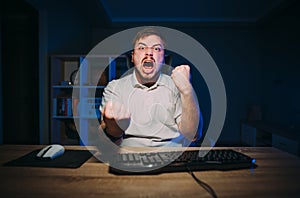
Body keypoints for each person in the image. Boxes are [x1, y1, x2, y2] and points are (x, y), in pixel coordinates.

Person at [99, 27, 202, 147]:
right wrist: (114, 127)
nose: (149, 52)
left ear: (163, 58)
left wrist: (186, 90)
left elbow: (193, 135)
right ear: (133, 56)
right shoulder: (115, 87)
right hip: (130, 157)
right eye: (142, 48)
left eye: (157, 48)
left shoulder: (177, 86)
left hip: (172, 157)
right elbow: (107, 141)